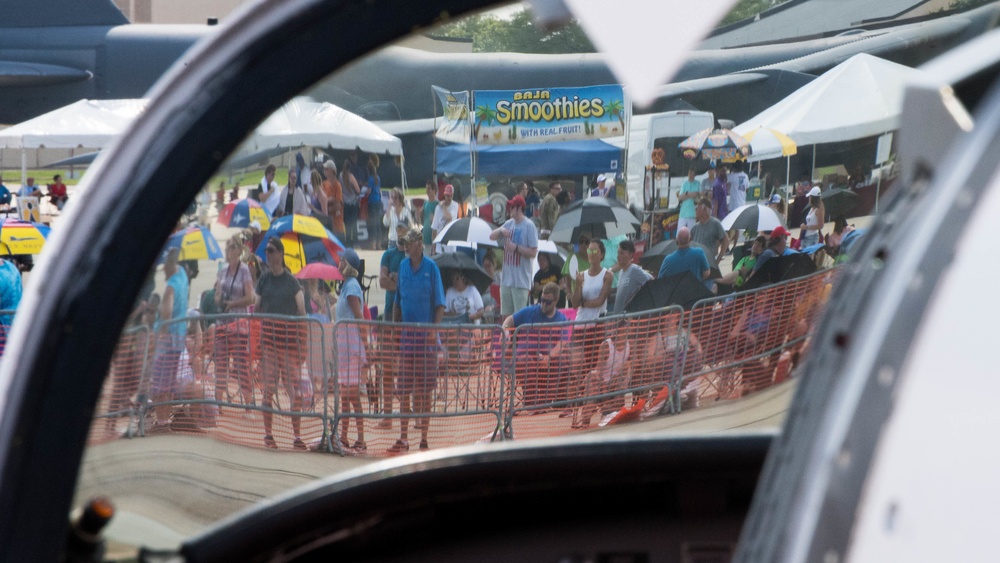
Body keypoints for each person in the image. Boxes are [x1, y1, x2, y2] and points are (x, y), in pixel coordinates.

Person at [390, 228, 446, 453]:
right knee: (403, 389)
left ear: (419, 244)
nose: (405, 246)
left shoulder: (431, 268)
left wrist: (434, 330)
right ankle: (403, 437)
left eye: (408, 242)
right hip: (407, 339)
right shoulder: (403, 266)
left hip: (426, 341)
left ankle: (424, 436)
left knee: (425, 390)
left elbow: (440, 303)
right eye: (403, 242)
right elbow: (398, 300)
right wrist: (394, 327)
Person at [254, 237, 308, 450]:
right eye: (266, 250)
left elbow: (302, 313)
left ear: (281, 254)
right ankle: (268, 435)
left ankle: (297, 436)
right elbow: (256, 308)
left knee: (294, 390)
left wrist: (302, 345)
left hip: (288, 347)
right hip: (269, 345)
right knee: (268, 390)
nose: (268, 254)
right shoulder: (263, 280)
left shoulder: (292, 282)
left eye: (271, 250)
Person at [502, 282, 568, 407]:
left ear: (556, 301)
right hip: (525, 357)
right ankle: (531, 401)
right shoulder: (530, 311)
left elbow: (562, 343)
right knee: (524, 360)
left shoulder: (561, 319)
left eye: (548, 302)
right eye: (542, 300)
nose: (543, 304)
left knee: (562, 359)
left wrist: (549, 357)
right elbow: (510, 319)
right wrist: (504, 330)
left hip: (547, 358)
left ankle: (548, 399)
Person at [213, 235, 255, 406]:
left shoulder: (244, 270)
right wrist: (219, 299)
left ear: (238, 250)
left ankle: (248, 403)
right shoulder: (222, 270)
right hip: (222, 323)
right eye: (228, 247)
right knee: (221, 363)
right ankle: (218, 404)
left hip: (238, 324)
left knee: (240, 365)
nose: (229, 250)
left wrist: (233, 304)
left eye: (232, 247)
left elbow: (250, 297)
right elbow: (216, 293)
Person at [150, 248, 189, 429]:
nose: (163, 271)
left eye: (164, 267)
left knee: (159, 382)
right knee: (169, 382)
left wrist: (158, 337)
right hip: (179, 338)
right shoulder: (183, 276)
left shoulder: (171, 285)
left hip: (167, 341)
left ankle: (162, 421)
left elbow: (166, 314)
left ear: (169, 265)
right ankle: (165, 420)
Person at [335, 248, 369, 452]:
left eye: (341, 261)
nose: (338, 263)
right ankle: (346, 436)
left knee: (352, 395)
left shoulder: (352, 287)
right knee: (346, 395)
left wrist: (366, 346)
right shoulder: (346, 286)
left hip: (352, 347)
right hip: (345, 348)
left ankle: (359, 438)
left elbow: (359, 317)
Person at [573, 321, 630, 429]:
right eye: (624, 330)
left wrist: (628, 370)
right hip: (602, 379)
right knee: (593, 382)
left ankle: (612, 413)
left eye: (627, 330)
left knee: (621, 380)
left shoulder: (630, 344)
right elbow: (598, 369)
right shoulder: (606, 346)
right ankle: (585, 420)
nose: (626, 332)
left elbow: (633, 363)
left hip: (617, 380)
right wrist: (602, 384)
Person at [489, 195, 538, 316]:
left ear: (519, 208)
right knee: (505, 316)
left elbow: (533, 252)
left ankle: (517, 336)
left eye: (512, 207)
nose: (509, 209)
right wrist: (500, 231)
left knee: (518, 316)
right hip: (506, 280)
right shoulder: (508, 223)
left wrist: (516, 248)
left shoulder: (529, 226)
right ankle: (507, 336)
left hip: (521, 281)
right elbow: (491, 236)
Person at [572, 240, 613, 374]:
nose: (592, 254)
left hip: (596, 324)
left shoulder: (607, 275)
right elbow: (574, 303)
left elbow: (600, 301)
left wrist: (583, 303)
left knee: (594, 363)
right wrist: (578, 285)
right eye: (590, 251)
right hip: (580, 324)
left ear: (601, 254)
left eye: (595, 251)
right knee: (578, 364)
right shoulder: (582, 275)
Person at [611, 239, 651, 314]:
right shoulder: (621, 272)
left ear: (630, 254)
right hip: (617, 316)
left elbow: (651, 281)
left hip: (628, 318)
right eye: (618, 253)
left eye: (622, 253)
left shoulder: (634, 270)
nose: (618, 256)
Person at [691, 198, 730, 263]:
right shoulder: (695, 228)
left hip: (709, 262)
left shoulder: (715, 223)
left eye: (698, 208)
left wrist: (718, 259)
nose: (695, 210)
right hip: (696, 262)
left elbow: (726, 240)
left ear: (705, 209)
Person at [431, 183, 459, 252]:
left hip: (451, 244)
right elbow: (434, 227)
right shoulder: (437, 208)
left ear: (452, 195)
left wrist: (443, 207)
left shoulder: (455, 205)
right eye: (447, 195)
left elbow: (449, 217)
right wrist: (433, 245)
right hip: (440, 244)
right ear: (444, 195)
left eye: (450, 196)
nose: (448, 197)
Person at [322, 160, 346, 239]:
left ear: (332, 171)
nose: (324, 171)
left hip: (336, 225)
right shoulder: (324, 184)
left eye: (326, 169)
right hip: (327, 224)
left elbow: (338, 205)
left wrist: (325, 210)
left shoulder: (337, 186)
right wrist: (328, 200)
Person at [340, 157, 361, 245]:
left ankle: (347, 241)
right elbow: (358, 190)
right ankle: (354, 241)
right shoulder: (351, 177)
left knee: (347, 223)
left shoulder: (340, 176)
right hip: (353, 203)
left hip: (345, 203)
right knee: (354, 223)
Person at [366, 155, 384, 249]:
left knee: (373, 223)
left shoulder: (370, 179)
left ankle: (373, 245)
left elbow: (369, 191)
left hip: (372, 202)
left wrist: (365, 192)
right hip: (378, 201)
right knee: (378, 224)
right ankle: (379, 244)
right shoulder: (378, 178)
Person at [420, 180, 438, 255]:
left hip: (433, 237)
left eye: (429, 188)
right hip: (425, 236)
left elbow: (439, 223)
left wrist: (434, 220)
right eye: (426, 188)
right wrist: (420, 214)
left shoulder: (437, 204)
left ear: (434, 190)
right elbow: (422, 221)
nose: (427, 191)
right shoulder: (425, 203)